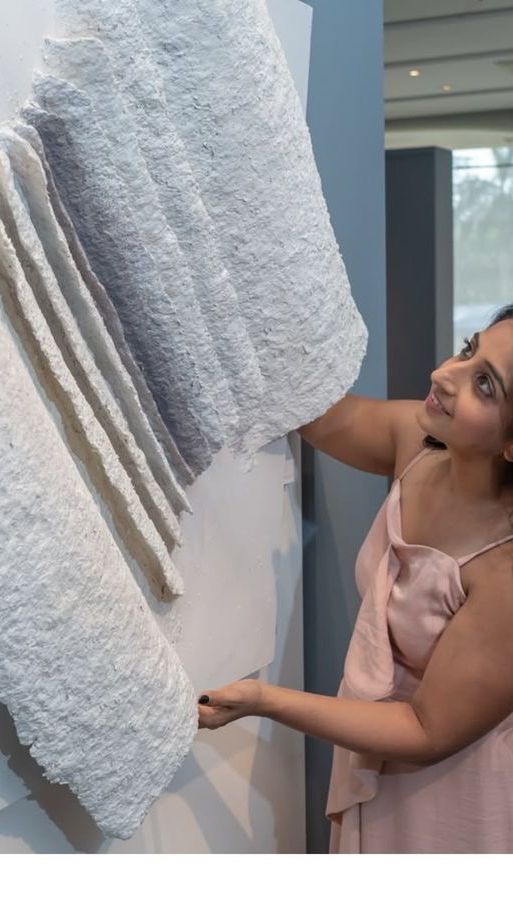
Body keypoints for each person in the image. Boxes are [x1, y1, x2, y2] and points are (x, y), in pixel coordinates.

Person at [198, 304, 513, 853]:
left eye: (484, 384)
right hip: (382, 758)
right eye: (469, 350)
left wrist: (263, 700)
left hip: (456, 796)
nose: (444, 374)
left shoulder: (503, 570)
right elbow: (316, 415)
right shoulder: (417, 446)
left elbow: (425, 730)